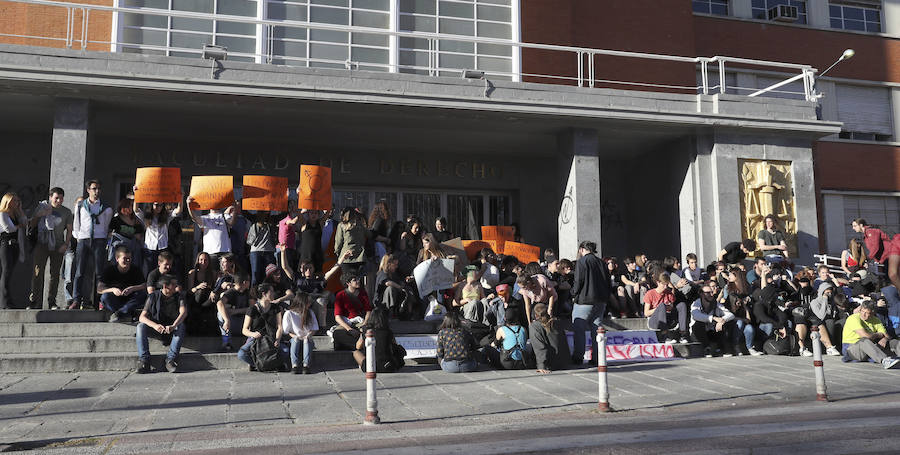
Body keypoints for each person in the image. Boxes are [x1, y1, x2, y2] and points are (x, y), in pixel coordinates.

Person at [28, 187, 73, 310]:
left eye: (61, 198)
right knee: (38, 272)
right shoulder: (42, 207)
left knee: (55, 274)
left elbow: (69, 230)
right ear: (50, 197)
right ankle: (34, 300)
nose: (59, 201)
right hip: (42, 244)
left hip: (58, 245)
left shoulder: (66, 212)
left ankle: (52, 301)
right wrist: (39, 215)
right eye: (56, 198)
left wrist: (66, 244)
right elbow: (31, 224)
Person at [71, 180, 113, 309]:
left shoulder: (106, 208)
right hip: (84, 239)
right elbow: (76, 223)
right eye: (94, 188)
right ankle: (76, 300)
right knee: (79, 271)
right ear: (88, 190)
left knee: (99, 272)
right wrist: (78, 237)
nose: (97, 191)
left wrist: (102, 238)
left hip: (99, 240)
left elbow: (106, 226)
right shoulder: (81, 205)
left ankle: (99, 301)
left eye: (99, 188)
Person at [135, 274, 187, 374]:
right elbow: (142, 317)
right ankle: (144, 360)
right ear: (165, 286)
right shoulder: (153, 296)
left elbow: (183, 313)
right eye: (173, 285)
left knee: (181, 326)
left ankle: (170, 359)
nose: (176, 287)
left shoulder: (179, 296)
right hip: (156, 327)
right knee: (140, 326)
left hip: (171, 327)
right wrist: (154, 325)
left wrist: (174, 325)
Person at [570, 241, 610, 365]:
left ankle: (578, 356)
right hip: (600, 300)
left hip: (584, 300)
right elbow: (608, 282)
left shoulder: (582, 262)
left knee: (579, 328)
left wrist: (573, 293)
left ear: (582, 249)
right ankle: (597, 357)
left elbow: (578, 281)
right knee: (596, 329)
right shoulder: (602, 263)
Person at [132, 191, 182, 278]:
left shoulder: (166, 216)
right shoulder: (146, 217)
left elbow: (178, 210)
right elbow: (135, 210)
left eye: (161, 205)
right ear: (152, 205)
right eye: (156, 205)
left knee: (163, 271)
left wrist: (181, 197)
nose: (158, 207)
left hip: (163, 247)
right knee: (149, 270)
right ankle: (149, 286)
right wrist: (136, 193)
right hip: (149, 248)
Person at [238, 283, 284, 371]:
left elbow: (280, 326)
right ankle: (260, 364)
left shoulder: (275, 308)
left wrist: (278, 339)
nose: (274, 293)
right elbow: (244, 330)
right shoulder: (252, 309)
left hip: (271, 337)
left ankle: (264, 365)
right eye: (271, 291)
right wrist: (253, 334)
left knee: (285, 351)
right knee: (241, 354)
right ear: (264, 294)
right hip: (257, 338)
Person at [842, 301, 900, 369]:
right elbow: (866, 336)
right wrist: (878, 335)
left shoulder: (876, 320)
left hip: (871, 347)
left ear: (873, 313)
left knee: (894, 342)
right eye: (862, 311)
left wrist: (885, 338)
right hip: (852, 348)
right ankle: (884, 360)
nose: (863, 314)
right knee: (864, 340)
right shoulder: (853, 318)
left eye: (867, 313)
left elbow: (886, 335)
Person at [98, 246, 147, 323]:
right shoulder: (109, 270)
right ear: (117, 258)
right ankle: (128, 312)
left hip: (130, 300)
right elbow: (99, 289)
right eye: (125, 258)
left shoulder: (135, 270)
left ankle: (119, 313)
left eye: (129, 258)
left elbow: (144, 285)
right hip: (115, 299)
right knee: (105, 297)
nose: (127, 261)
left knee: (142, 295)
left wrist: (132, 288)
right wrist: (113, 290)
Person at [794, 282, 842, 357]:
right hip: (813, 321)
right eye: (827, 293)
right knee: (819, 323)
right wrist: (825, 300)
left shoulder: (832, 302)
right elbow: (821, 316)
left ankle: (830, 347)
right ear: (822, 292)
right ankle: (802, 349)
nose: (829, 294)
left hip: (824, 322)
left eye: (830, 293)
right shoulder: (815, 302)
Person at [186, 196, 235, 266]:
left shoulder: (225, 216)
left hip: (225, 252)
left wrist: (235, 208)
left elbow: (232, 222)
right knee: (212, 272)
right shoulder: (205, 218)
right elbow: (194, 218)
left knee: (225, 272)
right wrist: (189, 205)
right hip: (210, 252)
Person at [352, 307, 403, 373]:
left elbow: (358, 346)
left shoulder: (366, 331)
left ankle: (363, 364)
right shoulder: (388, 332)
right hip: (387, 366)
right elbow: (395, 345)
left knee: (356, 353)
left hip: (369, 366)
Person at [691, 283, 735, 357]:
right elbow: (696, 315)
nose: (711, 294)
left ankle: (721, 349)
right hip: (699, 333)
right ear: (701, 294)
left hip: (711, 331)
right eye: (708, 293)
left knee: (725, 324)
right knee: (699, 323)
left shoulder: (716, 303)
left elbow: (731, 315)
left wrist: (722, 321)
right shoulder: (696, 303)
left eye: (712, 292)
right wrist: (713, 318)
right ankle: (706, 349)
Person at [644, 273, 689, 344]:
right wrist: (658, 308)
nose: (665, 287)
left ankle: (683, 333)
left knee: (682, 305)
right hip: (654, 321)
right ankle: (665, 335)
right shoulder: (650, 293)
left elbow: (671, 307)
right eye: (663, 284)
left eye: (667, 285)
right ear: (658, 282)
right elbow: (646, 313)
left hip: (667, 318)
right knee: (662, 306)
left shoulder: (669, 293)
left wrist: (669, 307)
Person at [332, 273, 372, 350]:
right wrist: (349, 329)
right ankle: (355, 346)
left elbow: (368, 311)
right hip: (346, 321)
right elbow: (337, 317)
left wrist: (364, 323)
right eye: (355, 280)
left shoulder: (363, 293)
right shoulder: (340, 295)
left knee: (367, 331)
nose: (358, 281)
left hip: (360, 321)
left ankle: (358, 346)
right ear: (348, 283)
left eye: (358, 279)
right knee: (337, 333)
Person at [0, 192, 26, 309]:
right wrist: (19, 226)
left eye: (18, 201)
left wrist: (20, 210)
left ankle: (8, 300)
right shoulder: (3, 213)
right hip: (5, 244)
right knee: (6, 272)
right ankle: (4, 302)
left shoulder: (15, 214)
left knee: (9, 273)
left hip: (15, 246)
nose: (16, 203)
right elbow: (8, 228)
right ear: (8, 202)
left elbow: (25, 222)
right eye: (14, 200)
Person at [282, 292, 318, 374]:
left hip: (306, 338)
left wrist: (308, 335)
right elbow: (286, 331)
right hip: (294, 338)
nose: (309, 304)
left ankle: (306, 365)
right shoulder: (289, 313)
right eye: (308, 302)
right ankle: (294, 365)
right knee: (295, 340)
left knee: (307, 340)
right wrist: (295, 336)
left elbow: (314, 328)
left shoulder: (310, 312)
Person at [529, 303, 570, 373]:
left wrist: (541, 366)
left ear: (535, 315)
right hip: (563, 362)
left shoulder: (535, 326)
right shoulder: (556, 322)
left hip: (550, 363)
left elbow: (539, 347)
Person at [186, 251, 218, 336]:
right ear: (198, 261)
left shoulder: (213, 273)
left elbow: (215, 287)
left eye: (205, 260)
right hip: (195, 298)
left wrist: (213, 291)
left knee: (213, 298)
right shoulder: (193, 273)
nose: (203, 262)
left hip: (207, 298)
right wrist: (198, 287)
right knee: (200, 293)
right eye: (201, 260)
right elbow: (190, 291)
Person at [334, 207, 368, 278]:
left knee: (347, 280)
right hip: (360, 257)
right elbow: (369, 234)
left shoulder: (341, 226)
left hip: (346, 257)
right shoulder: (360, 225)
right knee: (358, 280)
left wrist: (338, 254)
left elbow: (338, 242)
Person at [491, 305, 528, 370]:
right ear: (516, 318)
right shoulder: (523, 329)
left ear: (505, 318)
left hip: (507, 363)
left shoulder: (501, 329)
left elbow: (495, 344)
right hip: (522, 363)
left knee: (488, 348)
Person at [246, 213, 276, 286]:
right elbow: (245, 213)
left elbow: (282, 216)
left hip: (269, 251)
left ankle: (268, 290)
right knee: (255, 274)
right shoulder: (254, 219)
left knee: (269, 275)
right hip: (255, 251)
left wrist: (287, 209)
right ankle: (254, 291)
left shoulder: (271, 220)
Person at [298, 209, 325, 274]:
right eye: (312, 213)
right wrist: (303, 211)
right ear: (308, 214)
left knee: (318, 274)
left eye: (316, 213)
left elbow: (326, 214)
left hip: (317, 254)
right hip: (306, 254)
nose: (313, 215)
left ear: (318, 215)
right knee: (304, 273)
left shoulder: (320, 224)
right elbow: (299, 215)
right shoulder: (305, 224)